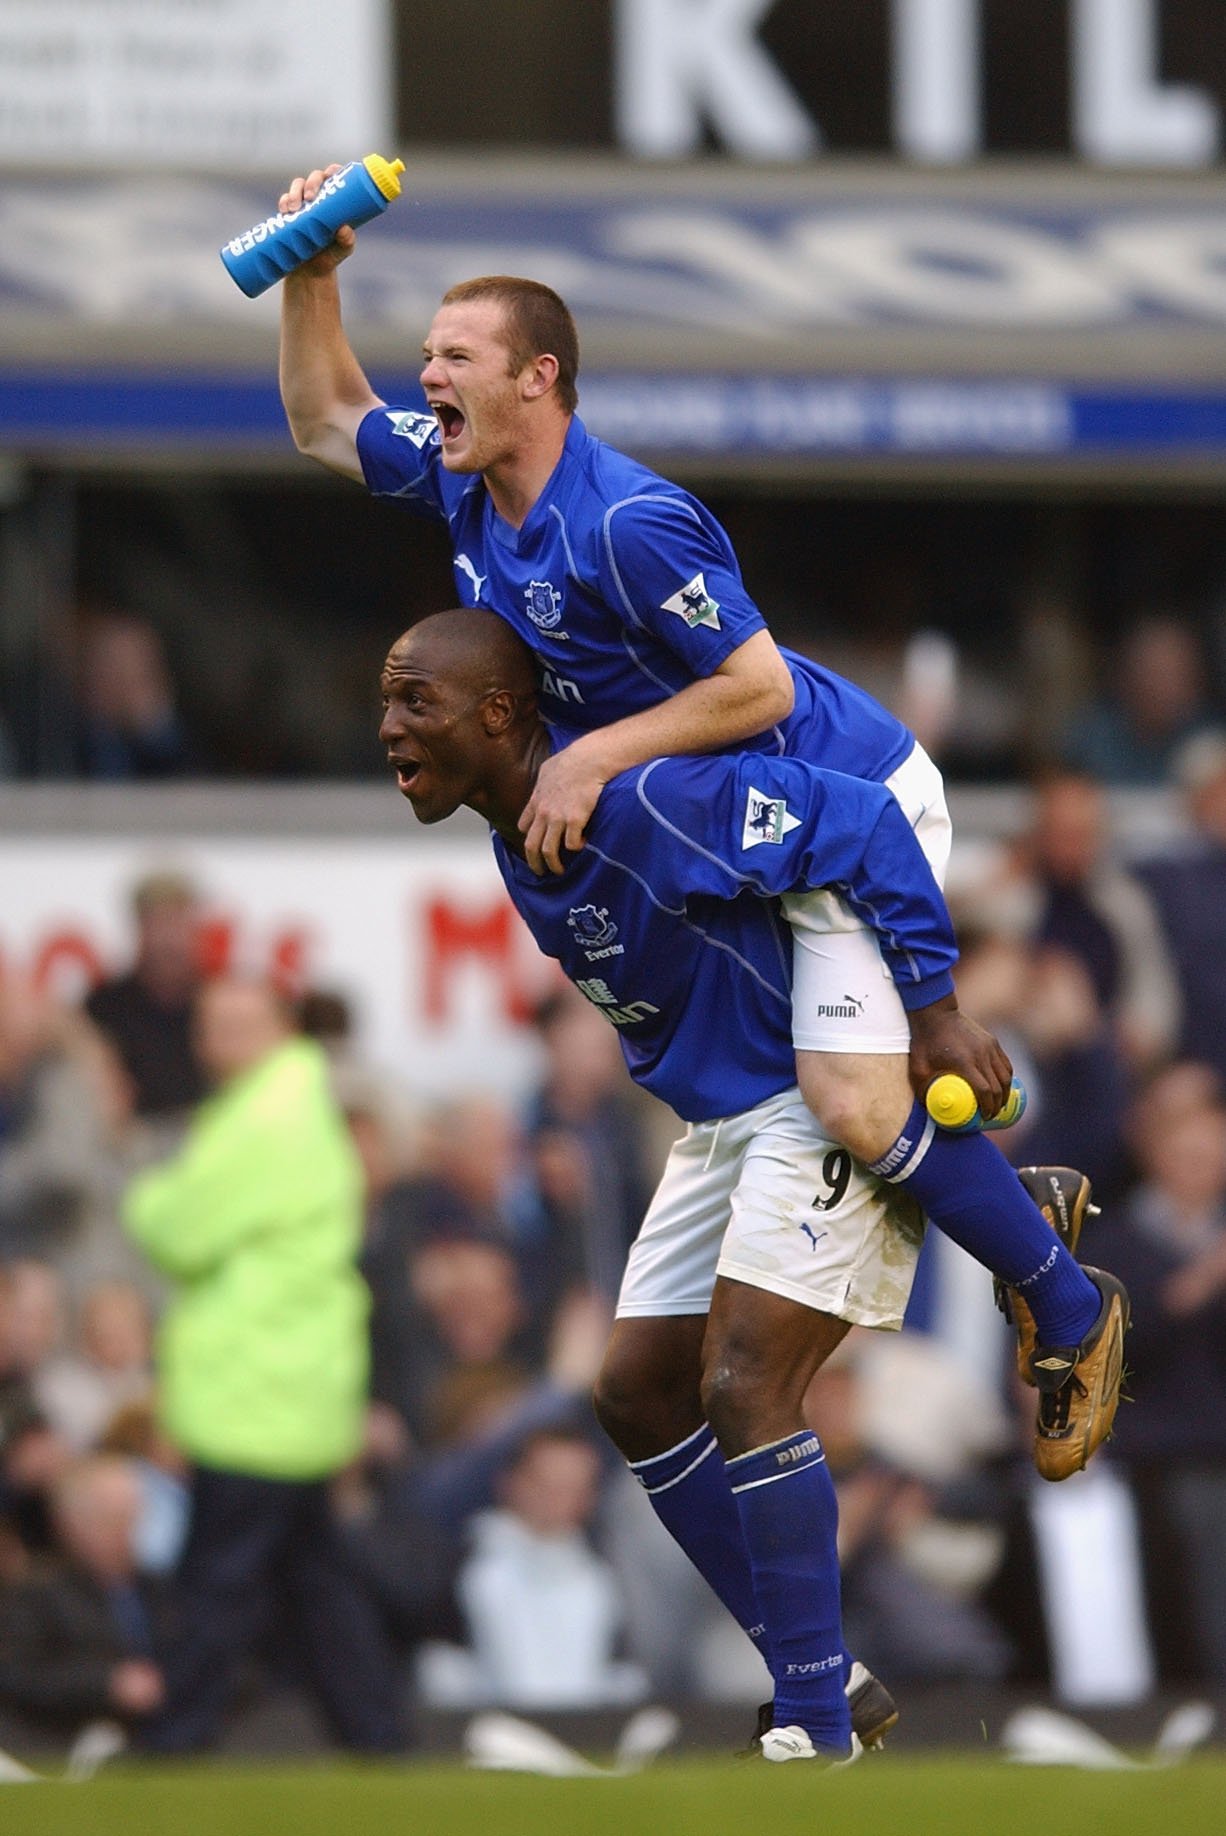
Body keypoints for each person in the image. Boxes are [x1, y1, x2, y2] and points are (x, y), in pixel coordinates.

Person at [378, 610, 1129, 1762]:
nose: (389, 728)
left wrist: (931, 1013)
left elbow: (868, 825)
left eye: (413, 702)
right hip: (721, 1119)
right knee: (632, 1394)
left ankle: (815, 1722)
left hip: (800, 1091)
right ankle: (1002, 1209)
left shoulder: (645, 803)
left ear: (498, 713)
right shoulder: (518, 838)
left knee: (742, 1381)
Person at [276, 179, 1067, 1272]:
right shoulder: (466, 481)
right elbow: (324, 419)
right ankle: (1025, 1211)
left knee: (839, 1094)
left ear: (536, 378)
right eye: (427, 356)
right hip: (732, 814)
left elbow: (760, 689)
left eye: (456, 357)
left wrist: (589, 756)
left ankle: (1062, 1296)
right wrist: (311, 276)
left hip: (844, 792)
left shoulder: (626, 523)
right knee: (779, 1097)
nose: (427, 377)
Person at [121, 975, 403, 1753]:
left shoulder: (266, 1117)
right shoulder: (294, 1104)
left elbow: (176, 1227)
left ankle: (175, 1742)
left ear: (282, 1027)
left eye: (243, 1024)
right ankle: (383, 1745)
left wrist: (145, 1196)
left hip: (257, 1391)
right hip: (291, 1388)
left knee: (218, 1584)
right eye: (214, 1025)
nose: (224, 1041)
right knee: (319, 1589)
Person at [84, 870, 207, 1119]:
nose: (168, 939)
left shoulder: (213, 1001)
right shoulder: (104, 1007)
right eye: (157, 924)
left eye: (177, 922)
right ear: (139, 927)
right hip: (133, 1141)